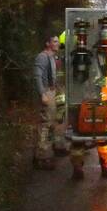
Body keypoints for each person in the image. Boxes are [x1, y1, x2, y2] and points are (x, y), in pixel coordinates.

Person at [33, 34, 67, 170]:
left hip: (53, 91)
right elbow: (37, 76)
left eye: (58, 41)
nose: (58, 43)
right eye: (55, 41)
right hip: (47, 92)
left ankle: (48, 153)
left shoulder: (53, 57)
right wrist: (43, 94)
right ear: (48, 44)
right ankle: (41, 158)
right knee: (45, 125)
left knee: (53, 123)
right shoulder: (42, 57)